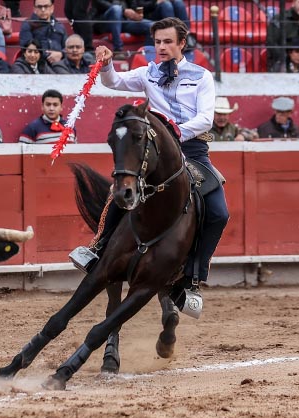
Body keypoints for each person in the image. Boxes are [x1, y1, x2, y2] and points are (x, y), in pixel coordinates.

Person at [94, 17, 229, 310]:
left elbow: (206, 118)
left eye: (168, 41)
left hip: (192, 150)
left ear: (182, 43)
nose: (162, 47)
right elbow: (113, 82)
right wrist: (106, 63)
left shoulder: (202, 76)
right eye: (157, 42)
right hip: (155, 151)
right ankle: (99, 249)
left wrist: (179, 132)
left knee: (219, 212)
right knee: (122, 191)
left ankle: (193, 277)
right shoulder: (147, 73)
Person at [19, 0, 68, 65]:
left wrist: (61, 54)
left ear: (52, 8)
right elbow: (26, 49)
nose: (43, 9)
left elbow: (67, 47)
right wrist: (49, 56)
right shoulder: (28, 24)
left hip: (61, 63)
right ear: (34, 9)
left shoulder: (59, 26)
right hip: (38, 64)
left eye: (46, 6)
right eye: (39, 7)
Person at [267, 0, 299, 73]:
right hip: (281, 62)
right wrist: (287, 59)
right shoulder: (279, 18)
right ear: (293, 4)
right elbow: (272, 43)